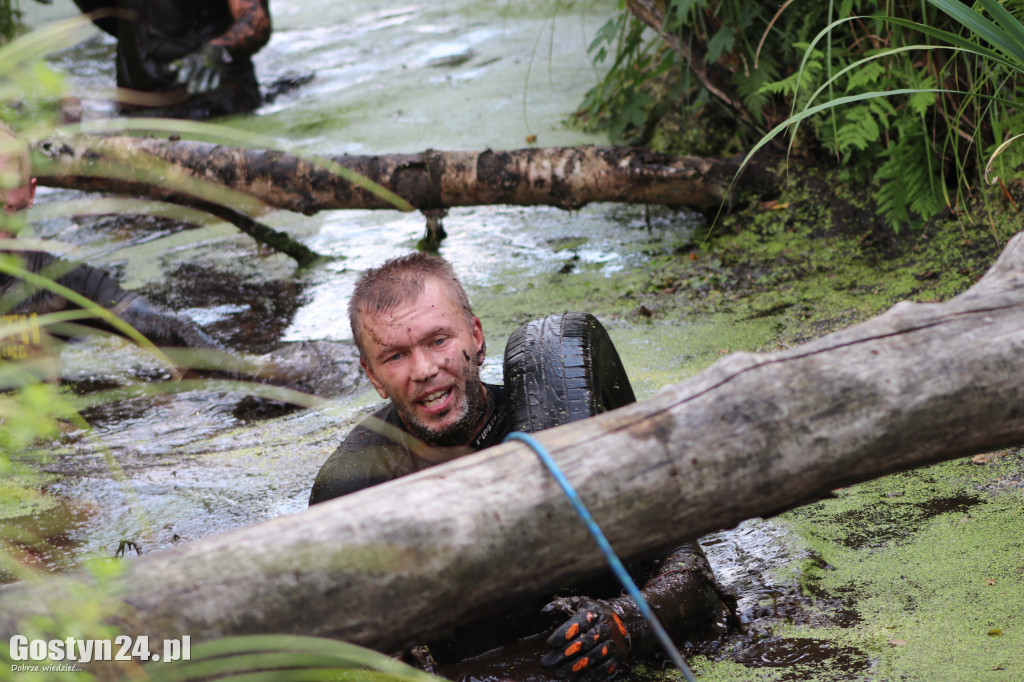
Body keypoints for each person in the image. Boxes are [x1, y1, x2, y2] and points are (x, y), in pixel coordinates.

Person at [310, 253, 733, 680]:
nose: (424, 370)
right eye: (395, 356)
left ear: (475, 337)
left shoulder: (569, 412)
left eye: (438, 341)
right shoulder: (352, 486)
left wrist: (622, 625)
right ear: (372, 375)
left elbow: (693, 579)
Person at [0, 128, 223, 357]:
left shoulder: (60, 281)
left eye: (11, 183)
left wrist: (250, 372)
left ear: (31, 192)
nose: (1, 198)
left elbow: (171, 330)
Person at [70, 0, 271, 119]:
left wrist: (217, 51)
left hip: (213, 106)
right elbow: (111, 19)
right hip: (138, 112)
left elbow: (256, 20)